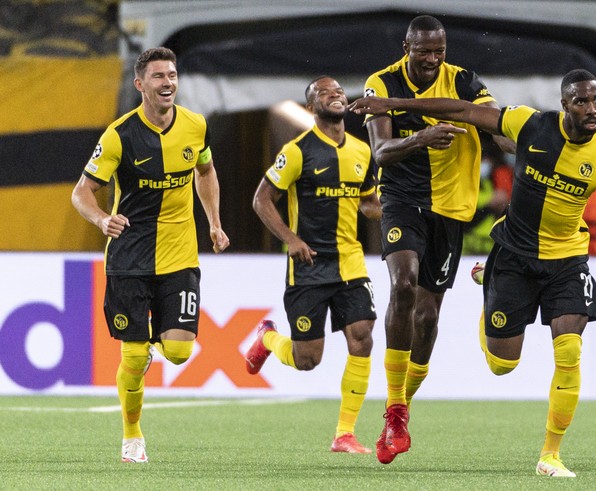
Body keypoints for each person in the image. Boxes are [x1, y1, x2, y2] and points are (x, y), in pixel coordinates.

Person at [350, 68, 596, 477]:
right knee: (502, 365)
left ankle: (550, 455)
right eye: (582, 101)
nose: (592, 109)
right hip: (514, 256)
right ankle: (489, 285)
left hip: (568, 261)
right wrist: (394, 104)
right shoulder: (530, 124)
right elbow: (463, 110)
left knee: (569, 352)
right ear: (564, 104)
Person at [360, 14, 515, 464]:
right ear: (406, 46)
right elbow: (381, 153)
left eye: (439, 52)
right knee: (403, 284)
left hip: (450, 209)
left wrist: (523, 136)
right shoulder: (381, 83)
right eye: (423, 51)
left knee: (427, 317)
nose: (431, 60)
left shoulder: (464, 81)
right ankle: (393, 409)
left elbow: (494, 124)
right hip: (402, 200)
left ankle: (402, 406)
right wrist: (424, 137)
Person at [71, 47, 230, 463]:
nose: (168, 83)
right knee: (135, 352)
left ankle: (142, 356)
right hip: (129, 257)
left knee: (177, 351)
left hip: (180, 253)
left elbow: (206, 170)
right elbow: (81, 192)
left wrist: (213, 221)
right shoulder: (119, 135)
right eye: (158, 77)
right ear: (141, 84)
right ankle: (132, 436)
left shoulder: (196, 126)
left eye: (172, 75)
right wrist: (102, 220)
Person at [245, 76, 382, 454]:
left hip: (349, 262)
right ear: (311, 107)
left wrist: (383, 209)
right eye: (324, 93)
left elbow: (367, 200)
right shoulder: (298, 151)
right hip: (308, 266)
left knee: (363, 336)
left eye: (338, 91)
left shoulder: (361, 149)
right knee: (308, 360)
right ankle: (268, 338)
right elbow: (261, 200)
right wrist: (291, 239)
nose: (335, 95)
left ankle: (345, 433)